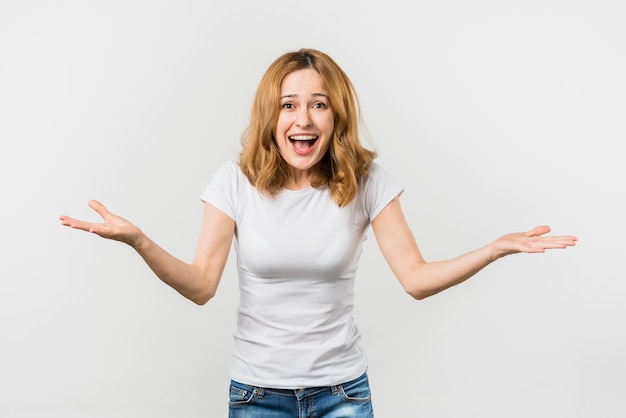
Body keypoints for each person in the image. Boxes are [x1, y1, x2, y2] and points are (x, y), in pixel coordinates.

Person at [59, 48, 577, 418]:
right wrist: (139, 241)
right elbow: (200, 285)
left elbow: (416, 279)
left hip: (342, 395)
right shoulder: (234, 181)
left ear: (336, 116)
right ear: (271, 115)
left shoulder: (367, 182)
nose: (302, 118)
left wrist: (494, 249)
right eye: (288, 104)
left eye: (318, 104)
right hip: (258, 395)